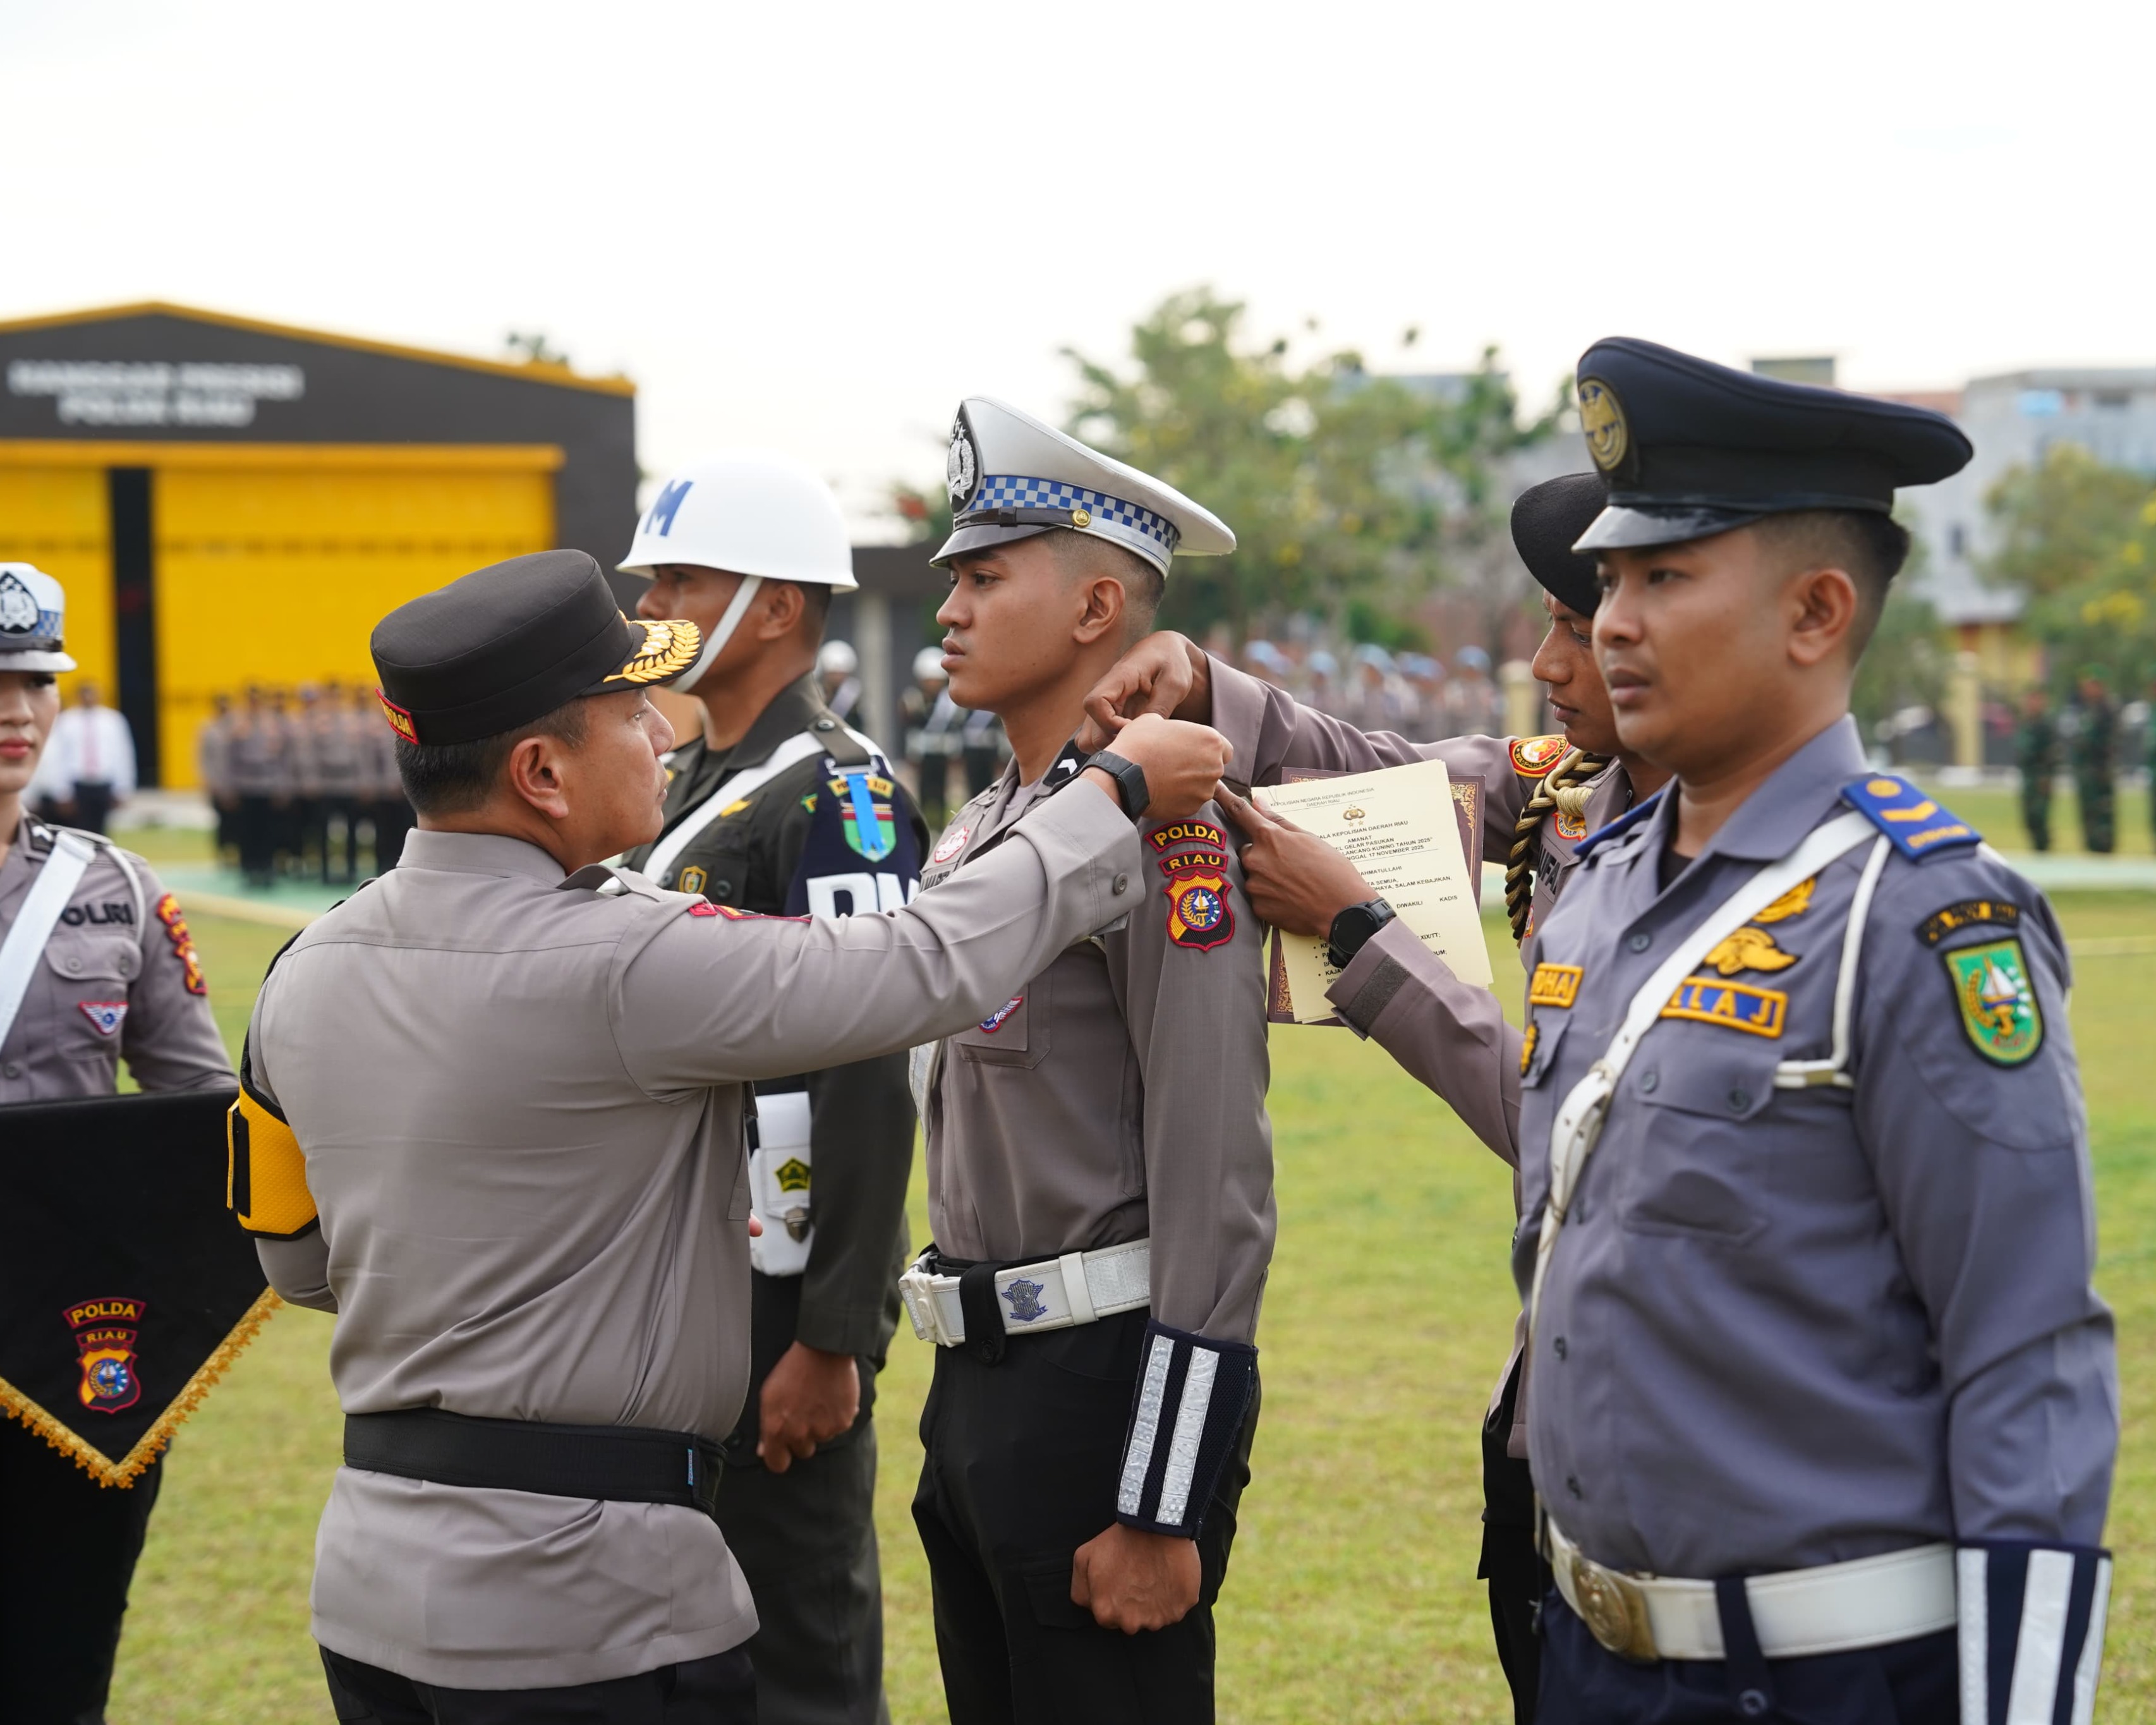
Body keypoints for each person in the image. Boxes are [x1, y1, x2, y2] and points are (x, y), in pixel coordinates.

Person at [234, 548, 1230, 1724]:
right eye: (628, 711)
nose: (661, 732)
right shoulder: (623, 960)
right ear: (542, 770)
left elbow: (297, 1263)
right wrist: (1109, 795)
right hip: (586, 1609)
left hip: (372, 1591)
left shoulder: (301, 970)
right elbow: (919, 967)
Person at [1510, 338, 2110, 1721]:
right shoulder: (1599, 890)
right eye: (1607, 581)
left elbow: (2025, 1361)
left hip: (1822, 1680)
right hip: (1588, 1657)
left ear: (1814, 611)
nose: (1610, 623)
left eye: (1663, 577)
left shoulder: (1917, 919)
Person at [1080, 472, 1670, 1725]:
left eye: (1585, 622)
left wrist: (1360, 935)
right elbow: (1380, 773)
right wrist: (1204, 688)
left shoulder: (1728, 855)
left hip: (1672, 1443)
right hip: (1547, 1416)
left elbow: (1575, 1139)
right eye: (1561, 623)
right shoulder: (1577, 787)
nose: (1559, 662)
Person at [902, 397, 1269, 1725]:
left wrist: (1161, 1499)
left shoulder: (1161, 832)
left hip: (1101, 1397)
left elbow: (1213, 1165)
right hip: (976, 1382)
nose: (947, 605)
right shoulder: (992, 823)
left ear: (1095, 605)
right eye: (951, 576)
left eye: (984, 577)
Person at [616, 452, 926, 1725]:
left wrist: (832, 1335)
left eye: (682, 580)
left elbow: (867, 1065)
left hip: (773, 1298)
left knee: (794, 1639)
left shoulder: (838, 800)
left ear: (782, 607)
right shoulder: (691, 778)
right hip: (673, 1284)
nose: (653, 611)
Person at [0, 562, 233, 1723]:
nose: (16, 708)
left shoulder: (116, 890)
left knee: (61, 1663)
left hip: (68, 1359)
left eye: (37, 680)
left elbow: (206, 1112)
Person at [42, 679, 136, 834]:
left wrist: (123, 788)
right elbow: (59, 757)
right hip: (78, 784)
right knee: (78, 830)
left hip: (104, 782)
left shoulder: (112, 720)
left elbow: (123, 754)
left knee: (102, 832)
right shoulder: (68, 720)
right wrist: (61, 791)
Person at [224, 685, 289, 887]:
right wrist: (231, 786)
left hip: (267, 784)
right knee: (247, 831)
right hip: (246, 784)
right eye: (251, 699)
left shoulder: (272, 723)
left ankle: (267, 868)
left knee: (268, 830)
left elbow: (281, 758)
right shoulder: (238, 723)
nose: (254, 703)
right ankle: (249, 868)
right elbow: (231, 758)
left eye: (257, 699)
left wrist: (281, 786)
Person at [902, 646, 962, 830]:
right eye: (929, 680)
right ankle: (924, 824)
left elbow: (955, 729)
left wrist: (956, 754)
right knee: (924, 791)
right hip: (923, 752)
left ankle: (942, 826)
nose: (932, 684)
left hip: (943, 752)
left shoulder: (950, 700)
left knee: (943, 791)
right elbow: (910, 729)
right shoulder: (913, 699)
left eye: (936, 680)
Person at [2072, 669, 2117, 854]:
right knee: (2087, 813)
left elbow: (2108, 742)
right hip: (2085, 771)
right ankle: (2091, 847)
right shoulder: (2084, 709)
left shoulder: (2107, 710)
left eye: (2091, 686)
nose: (2087, 690)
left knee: (2103, 814)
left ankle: (2104, 849)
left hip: (2100, 771)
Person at [2016, 685, 2059, 852]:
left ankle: (2044, 849)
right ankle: (2036, 849)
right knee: (2028, 819)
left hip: (2040, 778)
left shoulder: (2046, 726)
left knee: (2040, 817)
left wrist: (2047, 777)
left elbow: (2052, 755)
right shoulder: (2026, 723)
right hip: (2027, 777)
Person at [198, 691, 237, 864]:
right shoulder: (209, 728)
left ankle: (236, 850)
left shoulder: (237, 726)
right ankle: (223, 852)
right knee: (222, 819)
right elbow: (204, 757)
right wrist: (208, 780)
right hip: (218, 782)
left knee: (238, 819)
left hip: (236, 782)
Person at [817, 639, 863, 722]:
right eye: (833, 674)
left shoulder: (853, 697)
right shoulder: (817, 694)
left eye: (841, 674)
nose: (837, 678)